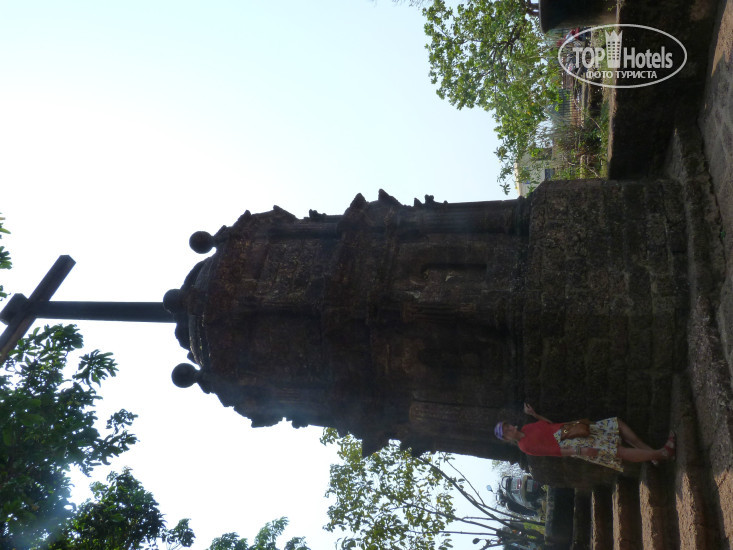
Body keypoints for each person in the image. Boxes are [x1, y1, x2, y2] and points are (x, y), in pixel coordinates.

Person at [494, 403, 675, 471]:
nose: (509, 429)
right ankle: (661, 454)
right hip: (570, 443)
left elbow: (549, 425)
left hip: (569, 430)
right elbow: (553, 451)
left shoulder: (527, 427)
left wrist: (534, 414)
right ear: (507, 439)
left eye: (506, 426)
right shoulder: (524, 446)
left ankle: (653, 455)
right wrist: (579, 450)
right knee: (617, 451)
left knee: (616, 425)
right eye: (506, 432)